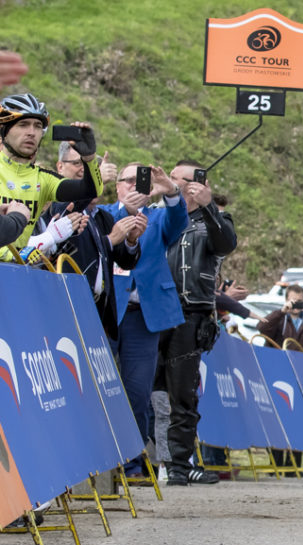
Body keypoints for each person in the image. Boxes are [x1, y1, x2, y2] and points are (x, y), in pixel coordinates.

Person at [102, 162, 188, 478]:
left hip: (143, 316)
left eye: (142, 182)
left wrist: (171, 191)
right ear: (117, 186)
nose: (135, 187)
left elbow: (178, 221)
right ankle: (101, 461)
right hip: (106, 312)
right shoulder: (105, 214)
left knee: (137, 393)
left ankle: (131, 464)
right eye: (129, 180)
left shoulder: (158, 217)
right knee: (100, 389)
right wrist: (124, 209)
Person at [155, 160, 236, 486]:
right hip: (152, 311)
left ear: (195, 184)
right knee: (149, 388)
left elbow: (226, 244)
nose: (169, 180)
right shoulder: (158, 214)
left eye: (177, 178)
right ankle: (145, 462)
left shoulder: (214, 219)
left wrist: (208, 206)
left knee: (182, 392)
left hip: (191, 313)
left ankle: (179, 463)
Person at [42, 142, 145, 340]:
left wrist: (131, 240)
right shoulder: (55, 206)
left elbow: (125, 262)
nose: (85, 171)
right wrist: (110, 240)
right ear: (60, 167)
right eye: (77, 164)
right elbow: (71, 249)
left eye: (90, 167)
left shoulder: (103, 217)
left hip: (98, 313)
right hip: (64, 308)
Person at [0, 93, 102, 258]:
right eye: (23, 124)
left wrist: (89, 158)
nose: (31, 132)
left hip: (17, 269)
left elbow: (90, 190)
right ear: (3, 130)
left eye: (38, 126)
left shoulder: (44, 179)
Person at [258, 284, 303, 476]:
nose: (296, 305)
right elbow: (262, 328)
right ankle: (275, 465)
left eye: (299, 301)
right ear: (286, 300)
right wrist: (281, 312)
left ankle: (293, 467)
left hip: (301, 376)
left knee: (299, 421)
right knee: (277, 421)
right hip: (278, 375)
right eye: (293, 300)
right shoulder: (280, 319)